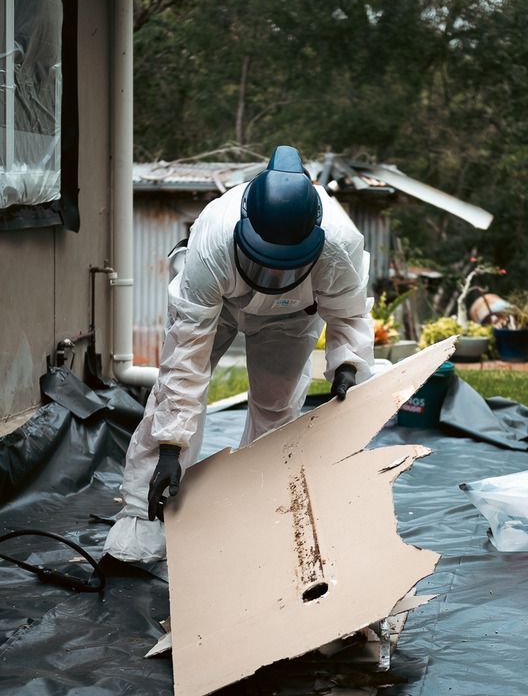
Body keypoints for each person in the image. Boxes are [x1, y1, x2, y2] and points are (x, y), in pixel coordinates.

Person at [103, 145, 375, 563]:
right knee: (169, 398)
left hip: (294, 314)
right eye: (267, 263)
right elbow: (185, 361)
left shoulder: (339, 243)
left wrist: (348, 364)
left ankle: (261, 515)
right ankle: (143, 515)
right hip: (221, 304)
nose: (274, 276)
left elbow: (349, 313)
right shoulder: (213, 240)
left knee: (276, 408)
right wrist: (171, 447)